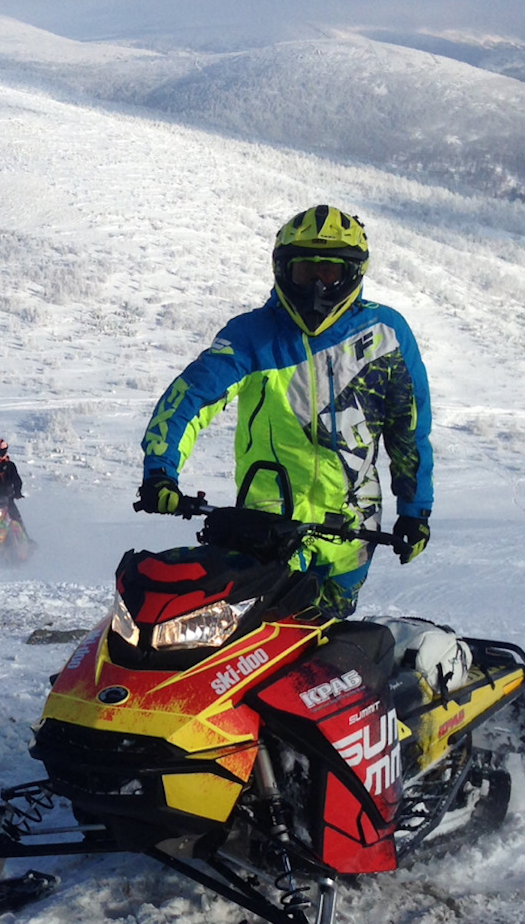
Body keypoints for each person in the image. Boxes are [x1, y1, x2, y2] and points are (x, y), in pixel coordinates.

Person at [138, 205, 433, 618]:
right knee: (250, 643)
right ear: (282, 271)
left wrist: (415, 512)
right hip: (265, 530)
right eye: (304, 272)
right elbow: (192, 396)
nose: (316, 286)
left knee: (322, 658)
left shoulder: (387, 335)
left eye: (329, 273)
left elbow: (409, 430)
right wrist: (160, 469)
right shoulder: (252, 336)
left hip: (353, 529)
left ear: (353, 274)